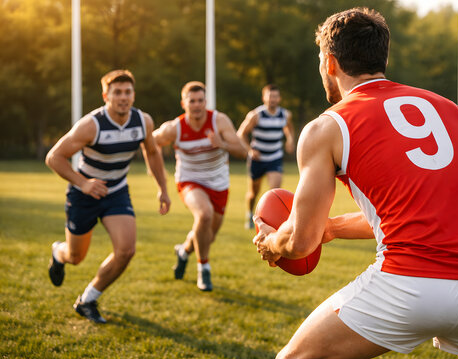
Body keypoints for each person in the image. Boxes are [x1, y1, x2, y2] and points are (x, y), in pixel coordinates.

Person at [253, 7, 458, 359]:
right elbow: (419, 209)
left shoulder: (327, 126)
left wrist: (271, 244)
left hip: (411, 283)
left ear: (330, 63)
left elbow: (300, 243)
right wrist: (331, 228)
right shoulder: (452, 111)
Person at [46, 69, 171, 323]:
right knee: (75, 257)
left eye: (128, 92)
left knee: (126, 251)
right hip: (84, 195)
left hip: (116, 192)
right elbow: (54, 157)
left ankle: (88, 299)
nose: (123, 97)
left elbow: (153, 152)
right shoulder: (91, 125)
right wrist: (84, 183)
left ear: (133, 95)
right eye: (117, 93)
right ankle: (58, 253)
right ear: (106, 95)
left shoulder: (142, 121)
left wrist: (163, 188)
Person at [153, 81, 247, 291]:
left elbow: (242, 151)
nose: (196, 105)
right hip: (189, 180)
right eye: (192, 101)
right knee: (204, 215)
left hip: (219, 183)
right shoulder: (174, 128)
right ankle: (203, 270)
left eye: (200, 101)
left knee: (208, 235)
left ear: (206, 102)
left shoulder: (219, 121)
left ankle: (184, 251)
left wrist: (221, 144)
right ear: (183, 103)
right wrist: (160, 179)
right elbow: (151, 144)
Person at [237, 84, 295, 229]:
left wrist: (290, 140)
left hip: (274, 157)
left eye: (275, 96)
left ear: (279, 98)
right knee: (253, 193)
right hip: (257, 159)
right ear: (264, 98)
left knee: (275, 191)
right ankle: (249, 213)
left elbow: (289, 128)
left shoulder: (285, 114)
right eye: (270, 96)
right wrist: (250, 151)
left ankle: (271, 221)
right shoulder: (256, 115)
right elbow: (241, 134)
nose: (273, 100)